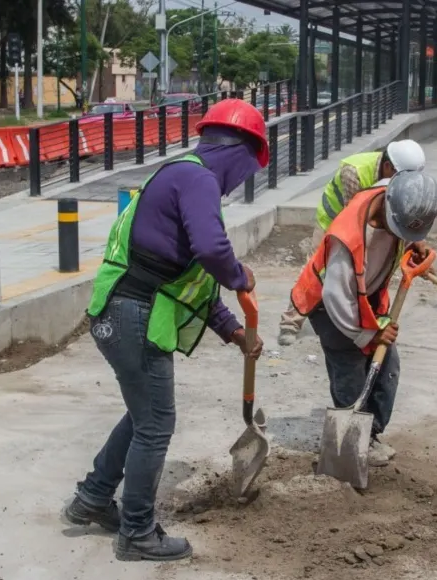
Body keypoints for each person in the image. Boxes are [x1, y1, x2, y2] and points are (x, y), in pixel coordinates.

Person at [64, 98, 268, 562]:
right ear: (242, 153)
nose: (241, 183)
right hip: (131, 314)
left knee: (143, 416)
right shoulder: (197, 178)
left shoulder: (184, 176)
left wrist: (236, 333)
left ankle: (93, 498)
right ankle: (137, 532)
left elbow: (192, 284)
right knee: (156, 424)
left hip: (123, 312)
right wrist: (240, 275)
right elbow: (214, 251)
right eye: (248, 171)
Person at [290, 170, 437, 467]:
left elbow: (409, 213)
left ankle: (369, 435)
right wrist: (367, 335)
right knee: (351, 371)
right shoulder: (346, 237)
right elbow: (337, 297)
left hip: (365, 299)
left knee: (387, 367)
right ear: (387, 208)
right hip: (330, 306)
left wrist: (415, 241)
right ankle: (350, 442)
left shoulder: (396, 193)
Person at [277, 140, 426, 346]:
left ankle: (355, 316)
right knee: (316, 270)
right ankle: (290, 323)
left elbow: (400, 209)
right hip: (335, 220)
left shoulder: (396, 175)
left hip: (367, 219)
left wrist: (413, 240)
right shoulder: (354, 172)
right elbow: (355, 218)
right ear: (388, 167)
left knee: (365, 272)